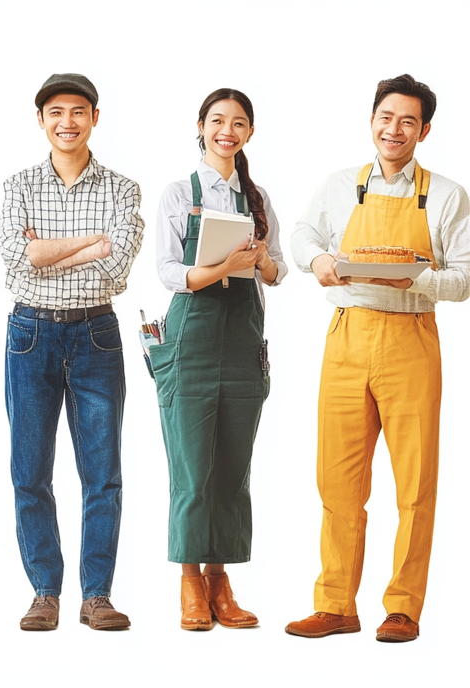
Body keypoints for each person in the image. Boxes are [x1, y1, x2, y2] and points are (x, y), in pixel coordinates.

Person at [285, 74, 469, 644]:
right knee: (337, 481)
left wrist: (412, 278)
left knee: (414, 484)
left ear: (425, 130)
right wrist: (317, 262)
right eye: (386, 117)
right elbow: (301, 235)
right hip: (345, 336)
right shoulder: (340, 184)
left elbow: (462, 281)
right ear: (372, 120)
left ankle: (403, 608)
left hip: (411, 337)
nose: (395, 130)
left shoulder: (447, 195)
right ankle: (336, 603)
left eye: (408, 121)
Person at [0, 73, 144, 632]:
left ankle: (97, 595)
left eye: (78, 111)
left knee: (101, 473)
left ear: (95, 118)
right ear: (41, 120)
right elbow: (17, 258)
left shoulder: (123, 188)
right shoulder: (18, 186)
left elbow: (116, 264)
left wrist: (47, 250)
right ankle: (44, 591)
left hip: (96, 336)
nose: (67, 122)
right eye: (56, 112)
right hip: (29, 335)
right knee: (29, 470)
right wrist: (88, 242)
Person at [149, 89, 285, 632]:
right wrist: (224, 264)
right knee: (191, 468)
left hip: (243, 338)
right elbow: (168, 272)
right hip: (192, 339)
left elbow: (278, 274)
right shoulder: (179, 194)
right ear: (201, 127)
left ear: (249, 133)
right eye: (218, 121)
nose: (227, 130)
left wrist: (259, 264)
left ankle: (220, 580)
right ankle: (189, 580)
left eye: (239, 123)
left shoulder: (256, 198)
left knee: (232, 465)